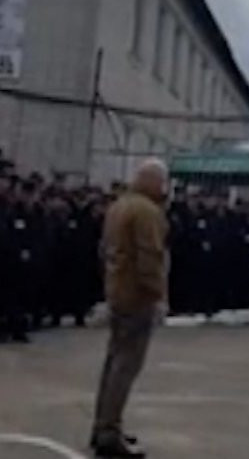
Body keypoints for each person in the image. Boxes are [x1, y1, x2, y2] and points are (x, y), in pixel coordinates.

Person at [91, 159, 170, 459]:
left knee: (113, 362)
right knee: (126, 365)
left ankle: (102, 425)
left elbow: (103, 251)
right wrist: (158, 295)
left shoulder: (119, 206)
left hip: (118, 292)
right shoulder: (146, 212)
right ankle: (109, 432)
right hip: (137, 296)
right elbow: (150, 257)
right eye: (163, 182)